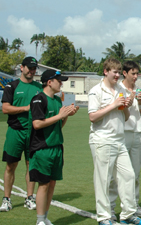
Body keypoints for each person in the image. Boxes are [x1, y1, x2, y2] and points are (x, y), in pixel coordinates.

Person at [88, 58, 141, 225]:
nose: (116, 75)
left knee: (128, 175)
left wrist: (127, 105)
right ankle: (104, 217)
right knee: (104, 180)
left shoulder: (120, 89)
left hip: (119, 138)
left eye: (118, 71)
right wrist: (114, 105)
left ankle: (128, 215)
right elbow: (92, 117)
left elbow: (126, 116)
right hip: (102, 138)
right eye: (114, 72)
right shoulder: (96, 91)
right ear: (105, 72)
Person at [28, 70, 79, 225]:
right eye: (58, 80)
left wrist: (66, 116)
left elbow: (58, 124)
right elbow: (37, 124)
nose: (61, 83)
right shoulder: (38, 99)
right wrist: (59, 116)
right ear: (49, 82)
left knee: (51, 184)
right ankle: (39, 220)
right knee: (43, 184)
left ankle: (45, 217)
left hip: (56, 146)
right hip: (42, 148)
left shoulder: (57, 100)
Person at [108, 61, 141, 221]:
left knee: (135, 174)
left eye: (137, 73)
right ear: (124, 73)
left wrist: (139, 103)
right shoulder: (118, 90)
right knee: (115, 175)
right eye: (133, 73)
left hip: (138, 134)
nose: (136, 76)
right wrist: (127, 102)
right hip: (122, 134)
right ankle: (111, 208)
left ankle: (133, 207)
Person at [1, 57, 41, 212]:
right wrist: (25, 108)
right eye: (29, 68)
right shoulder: (12, 86)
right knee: (11, 165)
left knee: (31, 166)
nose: (32, 71)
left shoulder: (39, 87)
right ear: (22, 68)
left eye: (34, 68)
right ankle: (6, 199)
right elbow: (5, 109)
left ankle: (29, 198)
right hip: (15, 131)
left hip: (34, 132)